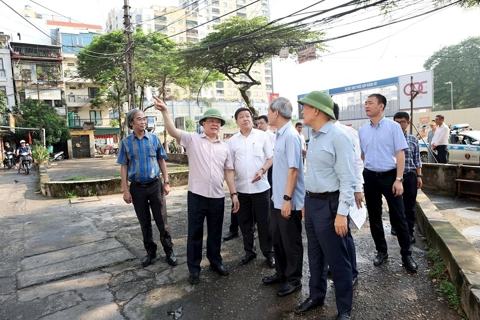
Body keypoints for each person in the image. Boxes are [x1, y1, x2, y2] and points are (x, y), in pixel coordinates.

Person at [154, 96, 240, 286]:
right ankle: (194, 269)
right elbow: (173, 131)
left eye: (218, 122)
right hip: (197, 196)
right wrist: (165, 112)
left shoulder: (225, 147)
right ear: (203, 124)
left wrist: (233, 194)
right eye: (211, 121)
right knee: (194, 233)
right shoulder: (192, 140)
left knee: (216, 232)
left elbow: (228, 172)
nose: (215, 124)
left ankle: (215, 262)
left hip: (217, 197)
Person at [294, 92, 356, 320]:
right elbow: (315, 175)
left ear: (317, 110)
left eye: (305, 107)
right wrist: (305, 203)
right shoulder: (316, 137)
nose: (302, 111)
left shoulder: (338, 136)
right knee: (316, 255)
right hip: (312, 203)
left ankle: (344, 309)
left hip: (331, 205)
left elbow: (348, 180)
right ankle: (316, 295)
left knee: (338, 260)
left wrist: (341, 214)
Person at [358, 93, 417, 272]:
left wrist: (399, 179)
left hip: (390, 176)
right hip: (370, 176)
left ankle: (406, 254)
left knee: (399, 216)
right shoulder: (362, 130)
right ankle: (381, 251)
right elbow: (362, 155)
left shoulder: (393, 127)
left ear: (381, 106)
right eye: (365, 103)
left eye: (370, 103)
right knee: (374, 216)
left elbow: (400, 153)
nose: (366, 106)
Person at [117, 109, 177, 268]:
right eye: (139, 119)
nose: (143, 122)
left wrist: (167, 181)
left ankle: (169, 251)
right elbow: (124, 166)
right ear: (131, 123)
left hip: (155, 185)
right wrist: (125, 190)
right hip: (137, 188)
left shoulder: (154, 139)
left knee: (162, 221)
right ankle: (151, 253)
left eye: (144, 119)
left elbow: (162, 161)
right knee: (145, 223)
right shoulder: (126, 143)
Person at [262, 97, 305, 298]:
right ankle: (281, 273)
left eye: (269, 111)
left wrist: (287, 199)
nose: (267, 114)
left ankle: (294, 279)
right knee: (277, 240)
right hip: (277, 198)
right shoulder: (279, 135)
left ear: (276, 113)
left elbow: (294, 170)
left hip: (288, 201)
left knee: (291, 242)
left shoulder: (291, 136)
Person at [227, 107, 275, 268]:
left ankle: (268, 253)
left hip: (261, 188)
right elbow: (229, 167)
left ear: (252, 119)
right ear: (237, 121)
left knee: (264, 222)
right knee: (245, 223)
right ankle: (249, 251)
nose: (245, 119)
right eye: (241, 117)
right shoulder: (232, 141)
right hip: (241, 190)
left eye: (248, 116)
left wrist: (262, 170)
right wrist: (232, 192)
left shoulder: (262, 136)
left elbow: (270, 158)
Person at [333, 103, 363, 287]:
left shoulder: (346, 132)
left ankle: (351, 271)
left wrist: (358, 188)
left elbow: (357, 162)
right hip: (326, 193)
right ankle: (335, 268)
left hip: (343, 189)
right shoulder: (318, 133)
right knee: (332, 234)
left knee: (344, 233)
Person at [391, 112, 423, 244]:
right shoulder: (389, 139)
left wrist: (419, 175)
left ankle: (409, 232)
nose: (399, 125)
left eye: (402, 122)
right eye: (396, 122)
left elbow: (417, 159)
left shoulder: (413, 140)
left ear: (408, 123)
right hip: (394, 177)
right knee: (395, 205)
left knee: (409, 206)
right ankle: (395, 227)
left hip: (409, 176)